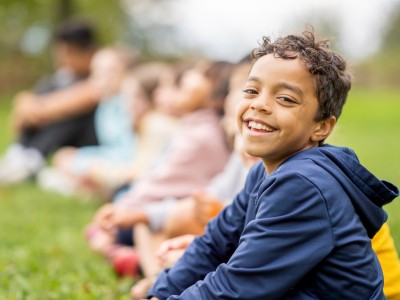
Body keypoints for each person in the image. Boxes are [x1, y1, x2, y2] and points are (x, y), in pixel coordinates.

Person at [146, 29, 399, 299]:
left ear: (322, 127)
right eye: (251, 90)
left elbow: (236, 288)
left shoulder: (304, 184)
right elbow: (213, 244)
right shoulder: (262, 174)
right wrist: (159, 293)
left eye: (285, 99)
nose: (260, 105)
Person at [86, 60, 234, 276]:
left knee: (138, 225)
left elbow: (161, 183)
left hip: (183, 213)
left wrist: (122, 211)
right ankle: (140, 263)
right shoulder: (193, 126)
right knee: (127, 224)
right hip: (170, 208)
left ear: (216, 91)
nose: (188, 76)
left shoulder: (202, 135)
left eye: (200, 74)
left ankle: (149, 274)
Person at [0, 19, 99, 184]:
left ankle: (30, 160)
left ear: (88, 52)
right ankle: (20, 155)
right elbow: (19, 119)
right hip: (59, 139)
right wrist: (24, 101)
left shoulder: (101, 72)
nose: (63, 60)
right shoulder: (61, 78)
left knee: (67, 114)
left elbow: (84, 98)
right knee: (47, 107)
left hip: (88, 139)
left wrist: (34, 106)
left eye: (68, 53)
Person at [37, 46, 137, 197]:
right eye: (96, 72)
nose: (103, 79)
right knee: (63, 157)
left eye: (110, 71)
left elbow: (129, 152)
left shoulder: (131, 103)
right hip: (109, 161)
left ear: (127, 73)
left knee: (67, 163)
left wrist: (89, 164)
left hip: (125, 166)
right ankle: (87, 185)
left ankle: (92, 187)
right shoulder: (106, 104)